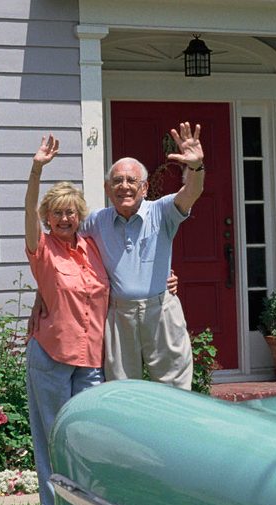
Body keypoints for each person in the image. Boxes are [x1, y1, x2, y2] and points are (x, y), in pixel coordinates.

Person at [77, 122, 206, 390]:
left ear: (145, 188)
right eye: (117, 181)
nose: (124, 186)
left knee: (175, 389)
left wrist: (195, 168)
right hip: (119, 313)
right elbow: (61, 242)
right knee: (122, 391)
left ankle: (172, 433)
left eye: (131, 180)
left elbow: (191, 192)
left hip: (160, 311)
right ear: (107, 188)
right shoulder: (95, 222)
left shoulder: (162, 211)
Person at [24, 135, 109, 505]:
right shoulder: (42, 248)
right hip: (52, 354)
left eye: (70, 213)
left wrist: (167, 278)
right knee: (53, 435)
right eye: (56, 213)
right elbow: (27, 213)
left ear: (79, 215)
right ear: (47, 217)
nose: (64, 219)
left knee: (86, 436)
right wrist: (37, 169)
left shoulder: (92, 246)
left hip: (91, 355)